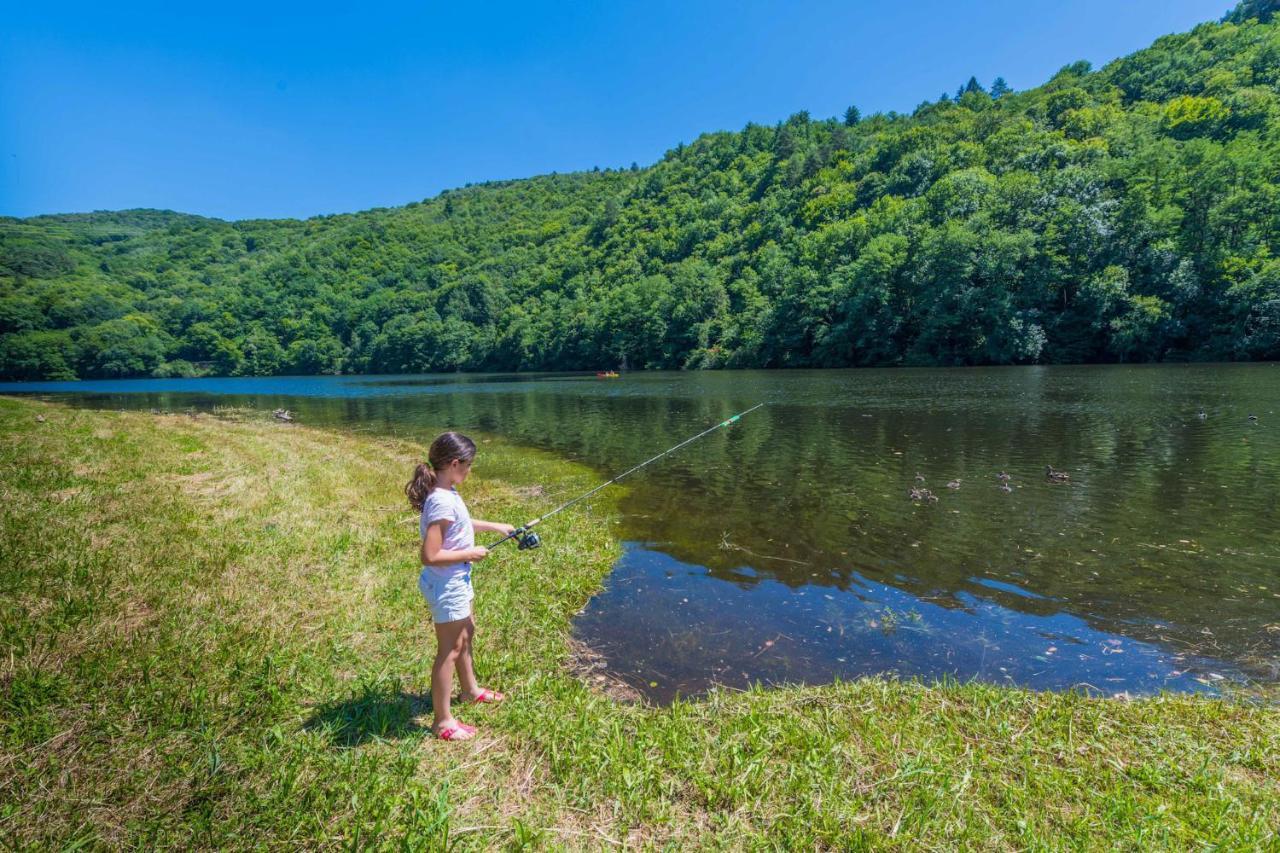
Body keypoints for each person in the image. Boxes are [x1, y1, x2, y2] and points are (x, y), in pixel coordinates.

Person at [405, 431, 515, 741]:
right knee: (449, 651)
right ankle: (442, 722)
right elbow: (430, 555)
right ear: (455, 464)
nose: (470, 470)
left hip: (455, 581)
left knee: (467, 634)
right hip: (446, 584)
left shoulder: (446, 491)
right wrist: (471, 553)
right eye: (468, 465)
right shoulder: (440, 500)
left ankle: (470, 691)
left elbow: (462, 522)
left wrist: (495, 526)